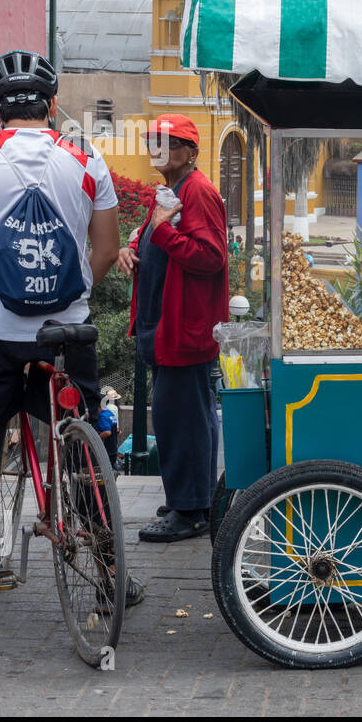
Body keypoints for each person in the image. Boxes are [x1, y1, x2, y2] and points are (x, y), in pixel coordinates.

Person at [0, 50, 142, 621]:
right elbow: (109, 249)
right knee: (85, 449)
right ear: (53, 103)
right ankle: (114, 573)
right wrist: (77, 290)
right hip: (67, 335)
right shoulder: (86, 157)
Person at [117, 113, 228, 542]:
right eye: (154, 141)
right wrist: (132, 246)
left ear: (190, 152)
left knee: (184, 421)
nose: (157, 149)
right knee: (175, 419)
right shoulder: (172, 190)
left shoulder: (199, 191)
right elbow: (150, 232)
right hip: (163, 329)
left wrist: (161, 235)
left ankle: (191, 511)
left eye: (168, 142)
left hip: (186, 330)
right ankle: (185, 499)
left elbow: (212, 257)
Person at [98, 386, 122, 470]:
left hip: (107, 446)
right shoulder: (112, 411)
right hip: (113, 445)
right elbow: (116, 427)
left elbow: (107, 432)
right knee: (112, 464)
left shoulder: (105, 412)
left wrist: (96, 439)